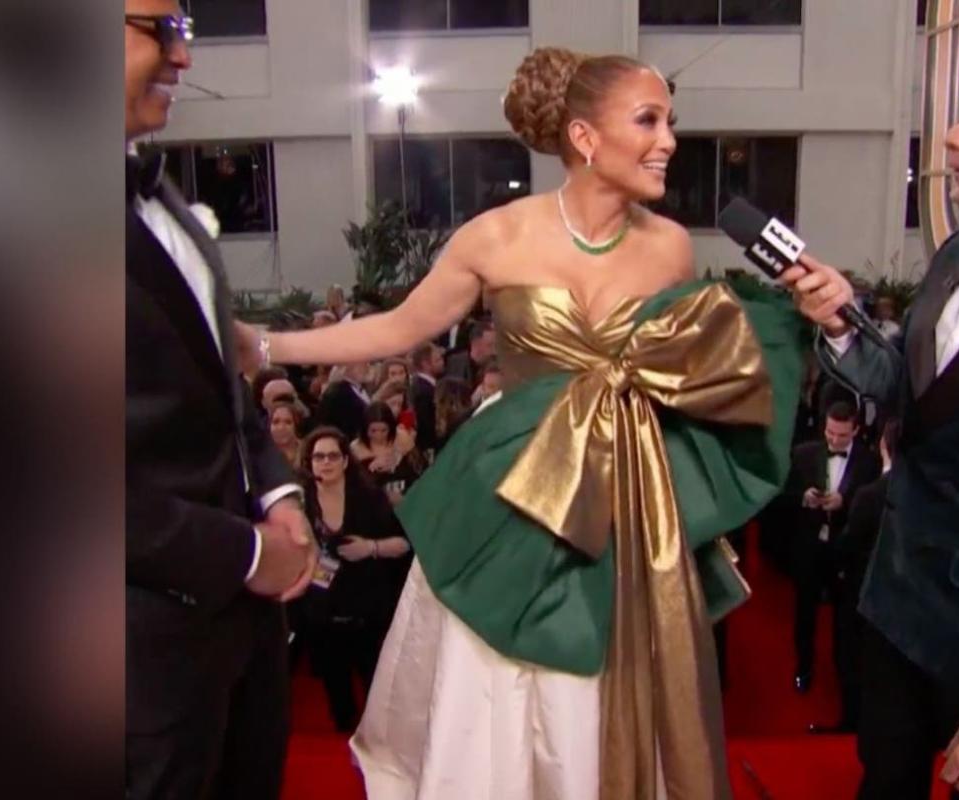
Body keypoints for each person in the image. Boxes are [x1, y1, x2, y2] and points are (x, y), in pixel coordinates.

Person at [235, 46, 803, 800]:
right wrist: (265, 346)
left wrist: (807, 316)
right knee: (501, 682)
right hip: (516, 487)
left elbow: (697, 368)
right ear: (585, 137)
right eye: (649, 121)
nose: (669, 141)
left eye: (671, 122)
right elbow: (397, 329)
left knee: (608, 675)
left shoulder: (669, 246)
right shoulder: (496, 236)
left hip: (630, 495)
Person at [125, 2, 316, 796]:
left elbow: (216, 382)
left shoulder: (164, 198)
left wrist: (276, 491)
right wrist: (243, 554)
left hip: (239, 639)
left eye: (187, 31)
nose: (184, 58)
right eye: (161, 29)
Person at [786, 90, 959, 798]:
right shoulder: (957, 251)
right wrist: (844, 326)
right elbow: (912, 390)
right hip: (897, 597)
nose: (952, 138)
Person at [296, 427, 412, 733]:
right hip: (321, 609)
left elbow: (403, 543)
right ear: (309, 462)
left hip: (367, 606)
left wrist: (370, 548)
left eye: (333, 456)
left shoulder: (370, 497)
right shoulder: (300, 501)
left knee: (374, 681)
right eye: (319, 457)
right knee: (337, 691)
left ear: (346, 460)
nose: (326, 462)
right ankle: (345, 726)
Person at [811, 417, 900, 735]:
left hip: (861, 594)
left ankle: (853, 723)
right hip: (907, 598)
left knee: (852, 658)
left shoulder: (870, 496)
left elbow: (846, 547)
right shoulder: (929, 494)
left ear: (883, 446)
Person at [789, 400, 881, 696]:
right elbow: (784, 496)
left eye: (841, 435)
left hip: (845, 553)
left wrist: (846, 502)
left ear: (855, 430)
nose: (834, 440)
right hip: (810, 548)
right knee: (805, 613)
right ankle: (803, 667)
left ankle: (844, 673)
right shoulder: (804, 454)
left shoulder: (869, 462)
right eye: (830, 433)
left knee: (845, 619)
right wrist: (804, 497)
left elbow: (873, 506)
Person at [350, 401, 422, 504]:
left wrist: (397, 459)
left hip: (409, 499)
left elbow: (420, 471)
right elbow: (354, 487)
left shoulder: (402, 439)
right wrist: (371, 470)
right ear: (365, 429)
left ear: (391, 428)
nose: (379, 436)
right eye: (373, 431)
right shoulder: (356, 449)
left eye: (384, 430)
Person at [313, 361, 370, 441]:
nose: (367, 366)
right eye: (362, 363)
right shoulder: (338, 393)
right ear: (346, 367)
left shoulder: (358, 389)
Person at [407, 342, 445, 454]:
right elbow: (426, 425)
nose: (443, 362)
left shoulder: (424, 386)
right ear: (425, 364)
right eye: (438, 360)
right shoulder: (423, 391)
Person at [444, 318, 494, 390]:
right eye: (490, 345)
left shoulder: (497, 365)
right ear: (476, 344)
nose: (494, 351)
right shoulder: (455, 364)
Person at [268, 403, 304, 468]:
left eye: (288, 422)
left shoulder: (307, 450)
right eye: (276, 422)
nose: (281, 428)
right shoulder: (259, 453)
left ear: (296, 426)